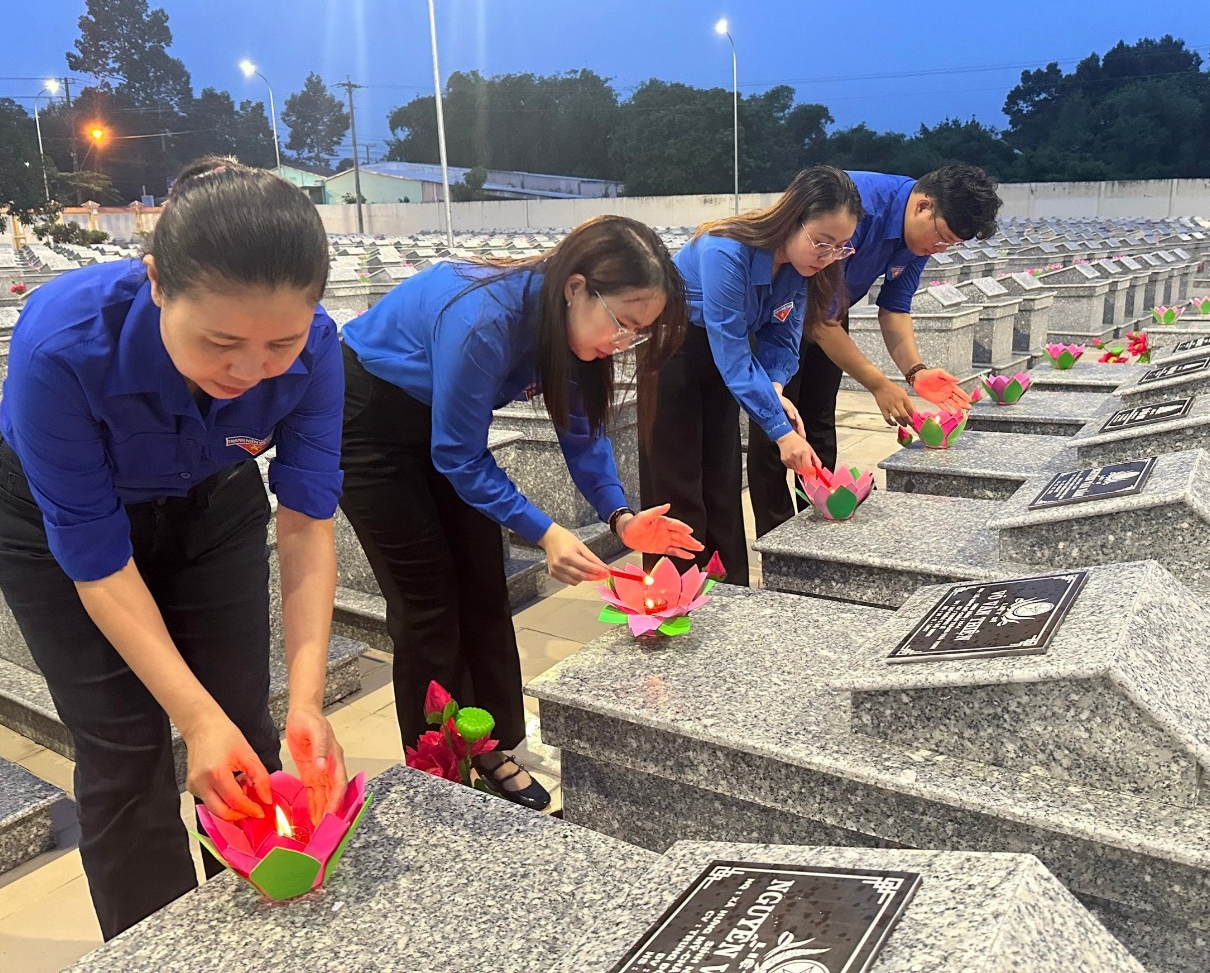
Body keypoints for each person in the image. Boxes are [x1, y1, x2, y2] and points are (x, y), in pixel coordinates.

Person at [0, 156, 349, 940]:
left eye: (279, 345)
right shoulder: (63, 345)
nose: (249, 372)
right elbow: (97, 561)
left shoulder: (318, 348)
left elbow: (306, 522)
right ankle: (163, 949)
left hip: (210, 502)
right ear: (156, 283)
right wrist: (193, 718)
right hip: (61, 525)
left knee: (244, 729)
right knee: (125, 753)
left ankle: (260, 936)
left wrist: (309, 699)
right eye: (220, 342)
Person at [338, 215, 699, 810]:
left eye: (637, 335)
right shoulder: (485, 321)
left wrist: (620, 517)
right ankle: (441, 770)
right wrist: (545, 531)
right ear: (577, 287)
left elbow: (582, 434)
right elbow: (458, 455)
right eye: (623, 325)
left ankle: (494, 744)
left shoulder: (571, 329)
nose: (622, 343)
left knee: (485, 582)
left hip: (446, 425)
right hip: (371, 418)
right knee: (429, 602)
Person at [747, 164, 1003, 537]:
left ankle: (821, 523)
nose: (938, 249)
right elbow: (816, 317)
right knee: (778, 430)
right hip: (778, 312)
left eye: (950, 245)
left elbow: (895, 307)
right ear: (924, 206)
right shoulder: (854, 207)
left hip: (830, 312)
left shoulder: (919, 237)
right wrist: (878, 383)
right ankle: (778, 539)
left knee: (819, 422)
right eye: (941, 238)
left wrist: (915, 371)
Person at [641, 166, 862, 587]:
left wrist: (774, 391)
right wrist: (782, 433)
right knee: (678, 484)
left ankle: (731, 592)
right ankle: (676, 599)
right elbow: (732, 349)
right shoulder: (725, 249)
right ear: (792, 219)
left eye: (839, 248)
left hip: (728, 362)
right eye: (821, 242)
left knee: (723, 480)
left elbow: (782, 340)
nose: (827, 256)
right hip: (675, 353)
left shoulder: (799, 270)